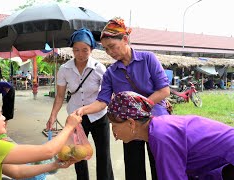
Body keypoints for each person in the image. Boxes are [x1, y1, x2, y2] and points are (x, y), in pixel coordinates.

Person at [75, 17, 170, 180]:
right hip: (129, 126)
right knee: (133, 169)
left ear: (125, 39)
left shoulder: (148, 59)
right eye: (106, 49)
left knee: (160, 167)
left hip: (156, 121)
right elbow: (102, 101)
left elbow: (164, 90)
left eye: (112, 46)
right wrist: (83, 110)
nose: (110, 52)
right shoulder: (111, 73)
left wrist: (140, 107)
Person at [0, 94, 82, 180]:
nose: (4, 118)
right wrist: (69, 126)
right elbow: (48, 151)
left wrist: (54, 165)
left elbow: (16, 172)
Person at [107, 91, 234, 180]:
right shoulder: (158, 128)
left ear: (131, 123)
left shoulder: (161, 137)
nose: (113, 132)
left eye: (114, 125)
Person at [46, 28, 114, 180]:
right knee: (77, 154)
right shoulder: (64, 69)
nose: (80, 54)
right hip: (76, 118)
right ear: (72, 49)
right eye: (76, 50)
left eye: (85, 50)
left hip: (99, 116)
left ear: (91, 49)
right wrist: (52, 116)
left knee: (103, 154)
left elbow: (105, 98)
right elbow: (60, 96)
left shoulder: (99, 69)